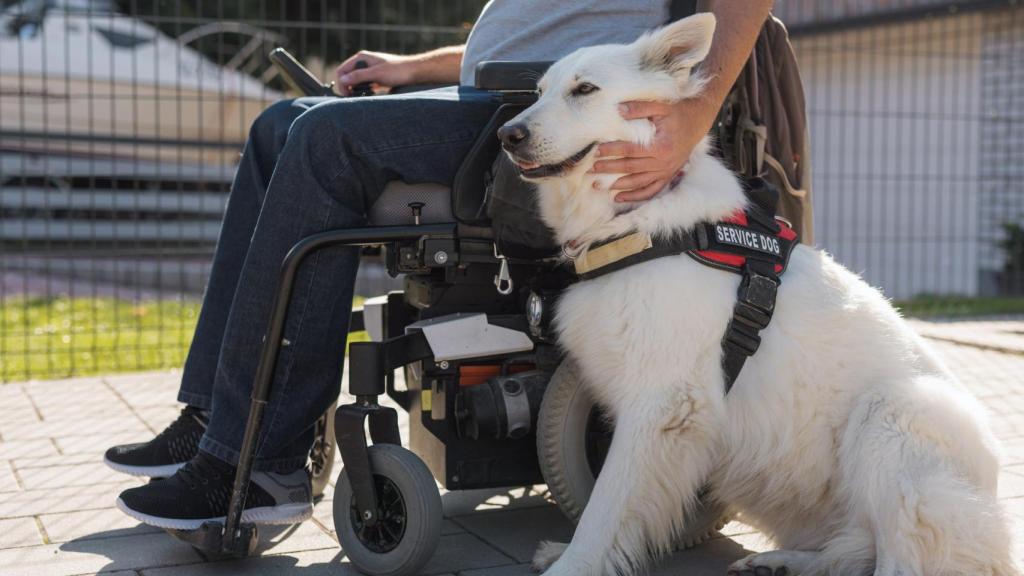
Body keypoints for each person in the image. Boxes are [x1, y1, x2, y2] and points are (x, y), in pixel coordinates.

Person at [104, 0, 775, 529]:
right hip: (499, 95)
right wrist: (416, 66)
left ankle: (260, 464)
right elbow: (535, 28)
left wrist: (689, 118)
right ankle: (212, 419)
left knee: (319, 140)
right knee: (278, 125)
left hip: (537, 114)